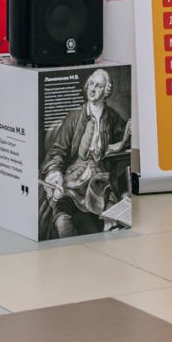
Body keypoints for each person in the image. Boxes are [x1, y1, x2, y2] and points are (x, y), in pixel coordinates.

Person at [39, 68, 131, 238]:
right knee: (62, 218)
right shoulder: (74, 117)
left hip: (99, 178)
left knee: (113, 214)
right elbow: (58, 150)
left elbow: (126, 137)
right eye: (91, 84)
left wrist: (119, 144)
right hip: (74, 178)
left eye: (98, 86)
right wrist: (55, 174)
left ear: (106, 91)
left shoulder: (112, 117)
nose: (92, 89)